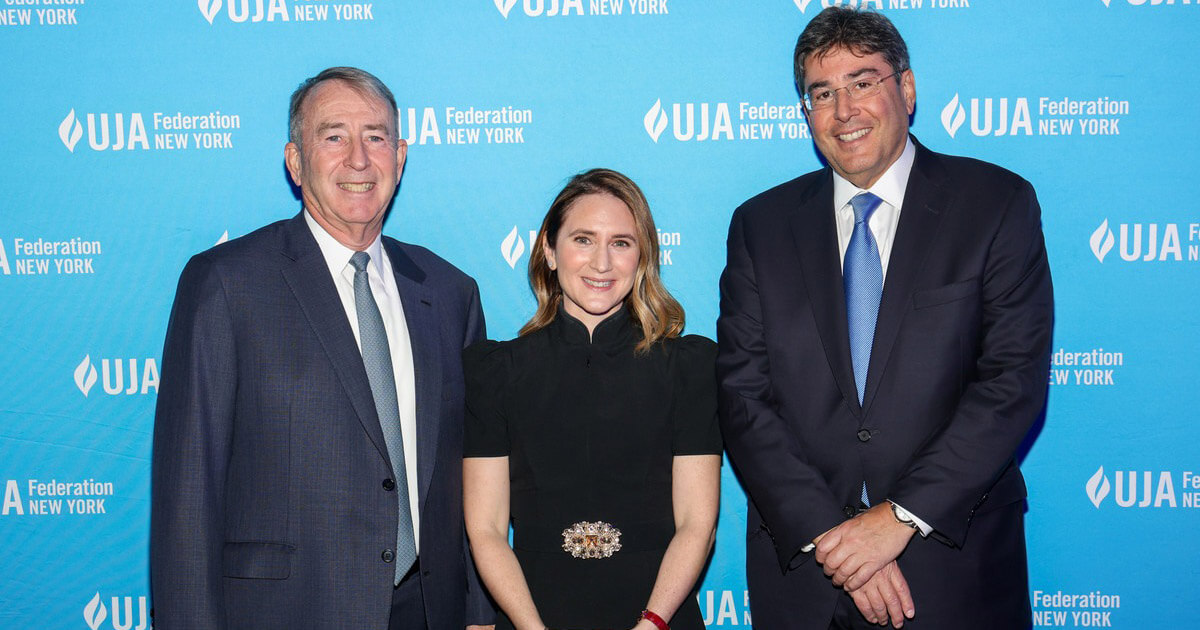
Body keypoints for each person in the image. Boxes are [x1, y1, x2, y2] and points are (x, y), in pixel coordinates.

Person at [717, 7, 1053, 630]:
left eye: (863, 82)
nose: (844, 110)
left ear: (907, 88)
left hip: (953, 566)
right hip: (808, 576)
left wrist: (899, 517)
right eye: (822, 93)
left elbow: (1011, 381)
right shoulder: (760, 226)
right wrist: (835, 538)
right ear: (806, 111)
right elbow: (743, 396)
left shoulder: (995, 205)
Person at [151, 66, 494, 630]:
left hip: (430, 612)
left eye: (376, 137)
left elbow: (472, 476)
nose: (359, 159)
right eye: (334, 136)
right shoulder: (227, 283)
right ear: (295, 161)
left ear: (400, 157)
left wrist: (480, 611)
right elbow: (189, 489)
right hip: (287, 612)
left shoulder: (449, 292)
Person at [463, 169, 721, 630]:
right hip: (533, 614)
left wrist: (651, 624)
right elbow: (486, 530)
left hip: (659, 615)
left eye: (621, 243)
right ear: (549, 250)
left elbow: (697, 525)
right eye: (583, 239)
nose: (602, 263)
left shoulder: (688, 367)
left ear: (642, 257)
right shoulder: (496, 372)